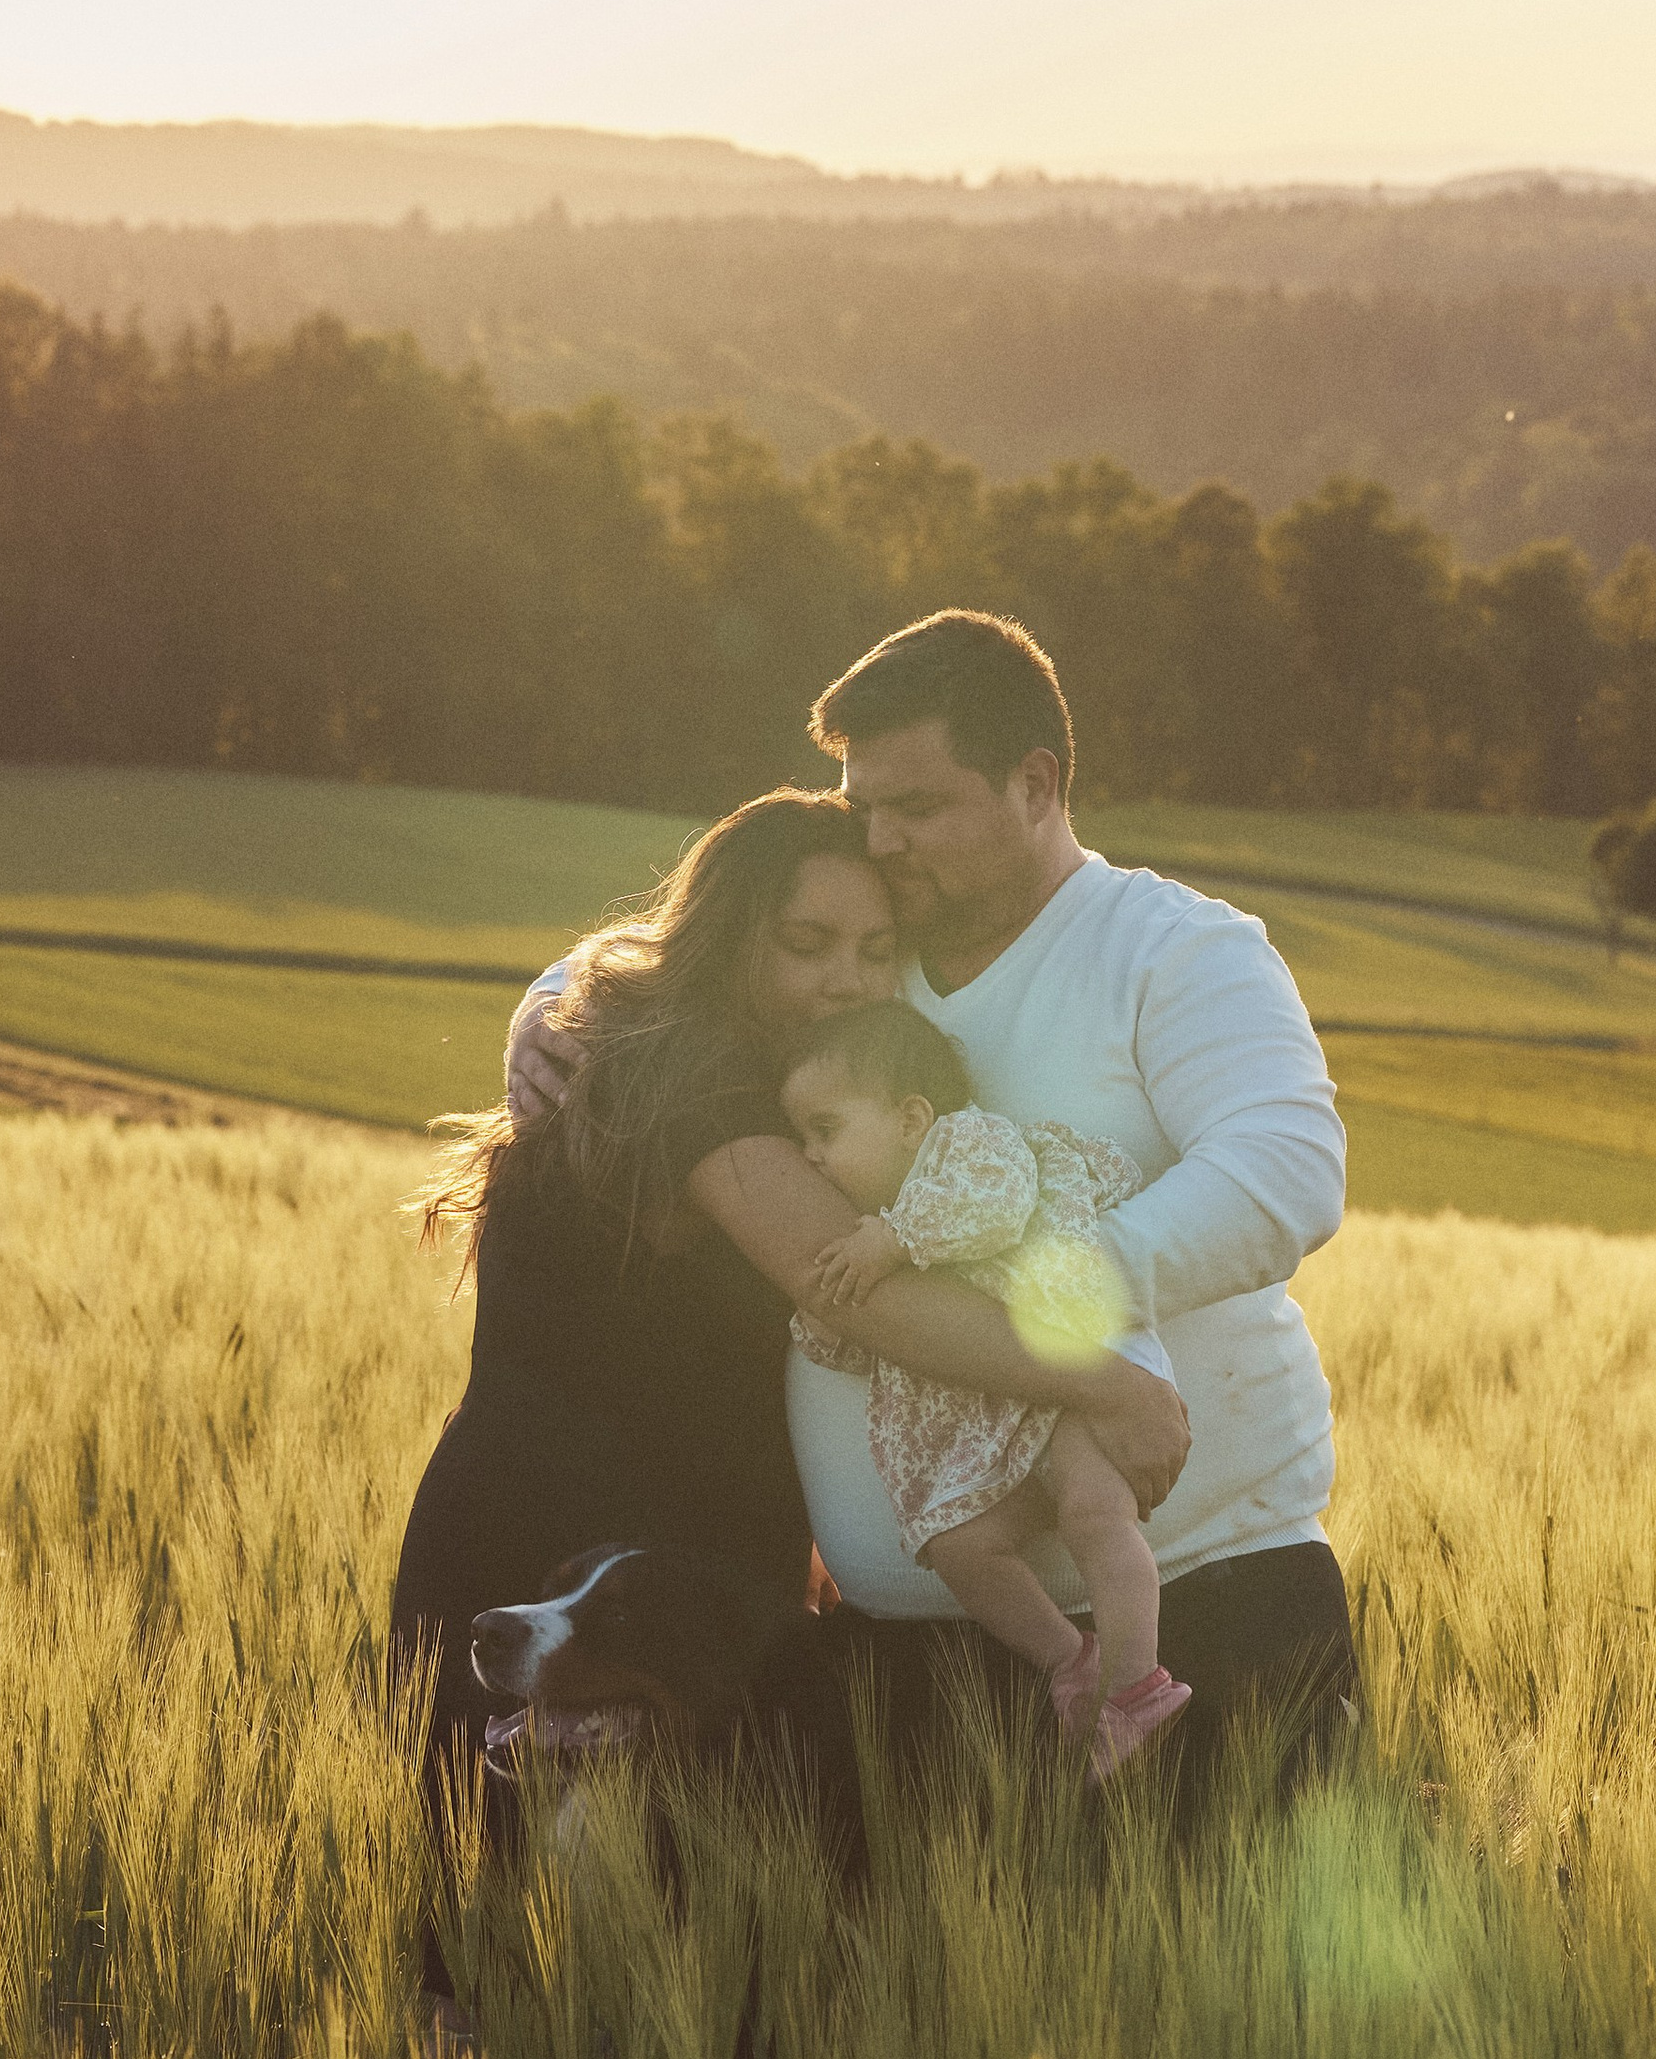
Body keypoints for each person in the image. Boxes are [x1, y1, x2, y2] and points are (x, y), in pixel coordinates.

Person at [510, 604, 1353, 1783]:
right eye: (864, 810)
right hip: (896, 1656)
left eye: (917, 809)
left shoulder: (1176, 952)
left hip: (1203, 1617)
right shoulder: (864, 953)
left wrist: (1049, 1302)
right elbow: (680, 950)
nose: (884, 843)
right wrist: (547, 1001)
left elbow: (1284, 1175)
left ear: (1035, 782)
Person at [393, 787, 1188, 2011]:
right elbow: (859, 1298)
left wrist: (544, 993)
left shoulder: (772, 1072)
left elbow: (598, 973)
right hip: (562, 1551)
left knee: (685, 1958)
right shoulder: (692, 1075)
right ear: (728, 937)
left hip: (694, 1554)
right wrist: (1107, 1383)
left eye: (877, 950)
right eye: (803, 943)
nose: (844, 979)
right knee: (502, 1945)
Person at [779, 997, 1190, 1776]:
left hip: (1068, 1372)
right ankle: (1071, 1665)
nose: (809, 1156)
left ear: (910, 1118)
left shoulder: (970, 1146)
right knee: (958, 1545)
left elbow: (998, 1208)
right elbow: (875, 1345)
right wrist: (832, 1318)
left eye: (825, 1130)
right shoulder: (878, 1229)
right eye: (801, 1139)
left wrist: (895, 1240)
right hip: (990, 1415)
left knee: (1094, 1512)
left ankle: (1136, 1687)